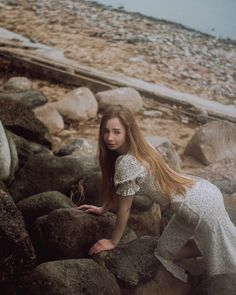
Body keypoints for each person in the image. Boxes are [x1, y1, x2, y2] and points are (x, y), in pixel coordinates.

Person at [78, 105, 236, 282]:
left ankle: (216, 255)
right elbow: (119, 191)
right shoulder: (142, 146)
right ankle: (211, 246)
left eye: (116, 132)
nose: (109, 137)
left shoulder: (127, 162)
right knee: (165, 251)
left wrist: (113, 242)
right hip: (201, 190)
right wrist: (103, 208)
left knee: (224, 264)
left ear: (128, 131)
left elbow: (124, 210)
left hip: (195, 206)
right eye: (106, 131)